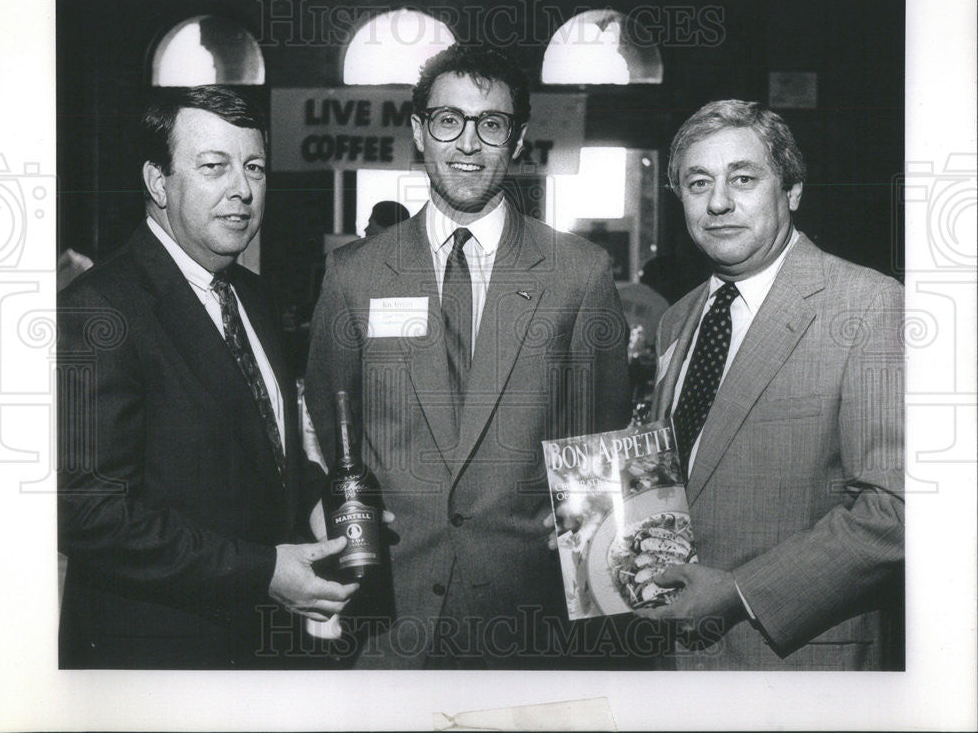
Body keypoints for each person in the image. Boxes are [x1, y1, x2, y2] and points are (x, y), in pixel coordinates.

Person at [305, 44, 631, 668]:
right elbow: (329, 418)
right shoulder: (354, 274)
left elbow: (602, 446)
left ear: (518, 139)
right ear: (419, 132)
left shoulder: (578, 273)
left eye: (491, 125)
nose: (468, 144)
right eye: (448, 121)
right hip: (389, 609)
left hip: (527, 614)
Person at [57, 85, 357, 668]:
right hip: (153, 659)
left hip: (256, 650)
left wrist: (320, 498)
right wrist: (263, 571)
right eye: (214, 167)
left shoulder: (253, 295)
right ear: (156, 182)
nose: (242, 190)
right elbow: (87, 510)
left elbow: (260, 446)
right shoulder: (99, 309)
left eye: (254, 168)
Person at [640, 100, 904, 670]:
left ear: (792, 190)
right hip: (674, 664)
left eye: (743, 178)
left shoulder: (869, 306)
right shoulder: (677, 318)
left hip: (794, 664)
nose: (718, 202)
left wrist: (739, 591)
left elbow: (896, 510)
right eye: (697, 182)